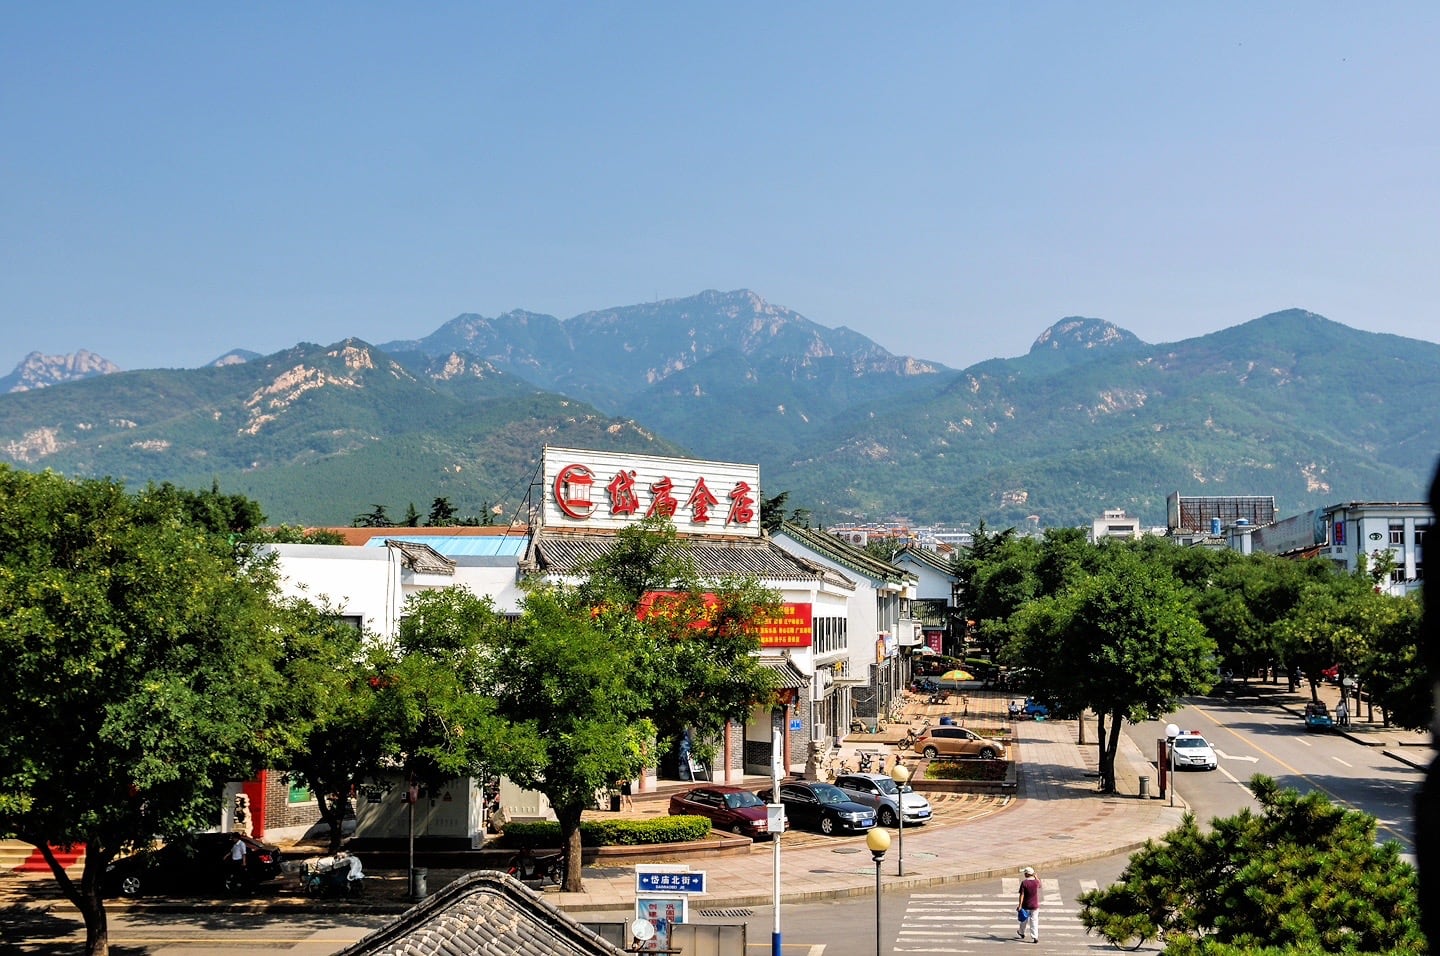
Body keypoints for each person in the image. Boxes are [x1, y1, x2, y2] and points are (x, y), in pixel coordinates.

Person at [1016, 865, 1041, 943]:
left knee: (1024, 920)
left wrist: (1020, 905)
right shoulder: (1036, 882)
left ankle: (1021, 932)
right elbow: (1040, 885)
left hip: (1026, 905)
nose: (1024, 874)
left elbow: (1022, 895)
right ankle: (1035, 937)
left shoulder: (1024, 883)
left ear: (1027, 874)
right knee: (1034, 921)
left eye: (1025, 873)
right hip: (1035, 906)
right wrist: (1036, 877)